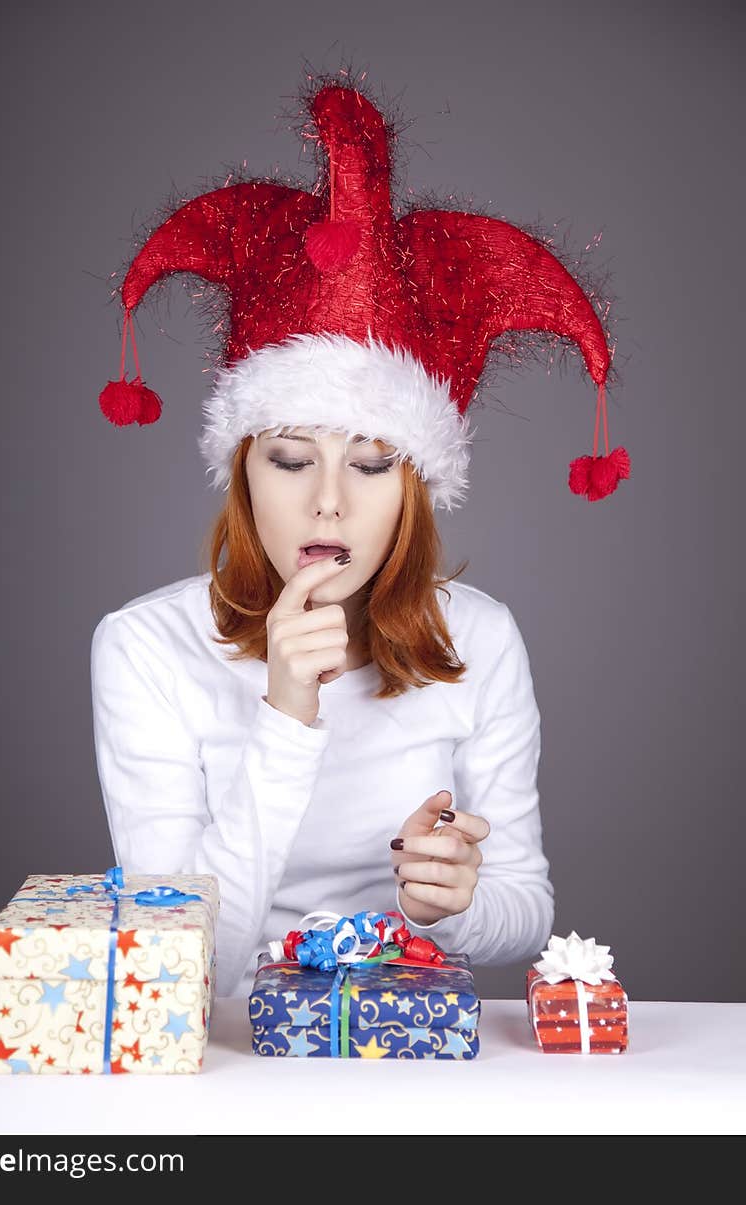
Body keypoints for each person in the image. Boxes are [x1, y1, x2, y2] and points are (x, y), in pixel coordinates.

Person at [90, 74, 628, 999]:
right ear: (242, 471)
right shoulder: (143, 648)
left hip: (408, 1043)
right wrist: (286, 713)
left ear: (414, 486)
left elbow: (522, 906)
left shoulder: (481, 639)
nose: (330, 504)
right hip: (226, 1061)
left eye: (373, 465)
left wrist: (450, 902)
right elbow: (185, 966)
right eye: (292, 461)